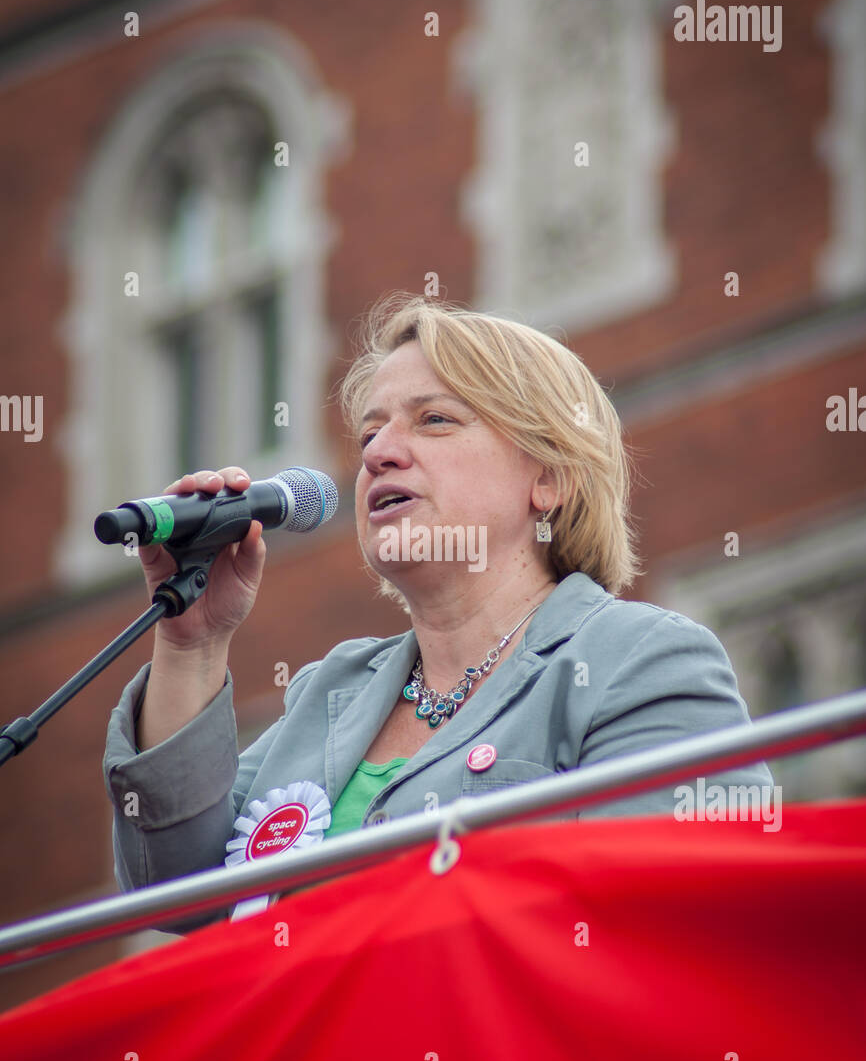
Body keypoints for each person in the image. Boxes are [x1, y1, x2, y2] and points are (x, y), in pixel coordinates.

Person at [104, 293, 773, 934]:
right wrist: (193, 642)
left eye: (435, 420)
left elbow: (675, 929)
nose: (377, 453)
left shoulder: (640, 661)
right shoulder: (330, 691)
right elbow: (170, 888)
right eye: (371, 432)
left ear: (549, 477)